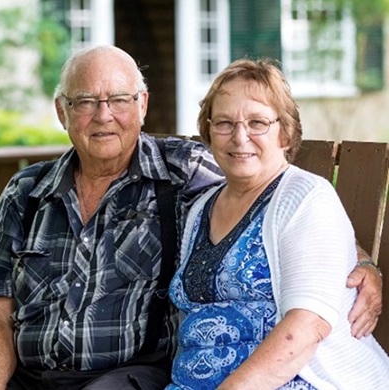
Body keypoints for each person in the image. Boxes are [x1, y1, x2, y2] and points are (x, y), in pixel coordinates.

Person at [0, 46, 382, 390]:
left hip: (125, 376)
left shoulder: (185, 173)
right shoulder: (26, 191)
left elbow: (288, 211)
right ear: (62, 112)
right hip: (24, 373)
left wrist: (364, 264)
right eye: (85, 102)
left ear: (141, 105)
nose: (103, 115)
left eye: (119, 100)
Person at [166, 58, 389, 390]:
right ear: (209, 133)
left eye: (257, 122)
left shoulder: (306, 198)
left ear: (285, 133)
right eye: (224, 123)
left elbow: (306, 328)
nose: (240, 137)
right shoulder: (202, 207)